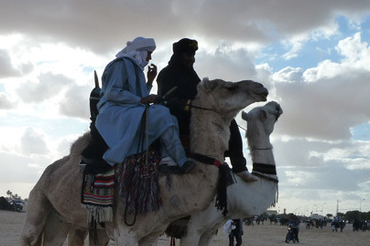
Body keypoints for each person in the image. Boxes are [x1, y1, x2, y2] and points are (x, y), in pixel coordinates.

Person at [156, 38, 257, 182]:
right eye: (188, 55)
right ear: (179, 55)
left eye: (193, 55)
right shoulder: (166, 73)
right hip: (177, 117)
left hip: (198, 114)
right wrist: (189, 104)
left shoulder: (192, 74)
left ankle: (239, 166)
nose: (191, 59)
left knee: (229, 121)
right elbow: (165, 100)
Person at [95, 37, 194, 173]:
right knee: (162, 113)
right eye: (149, 54)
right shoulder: (121, 64)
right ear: (140, 52)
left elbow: (138, 97)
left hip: (128, 109)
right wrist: (142, 100)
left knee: (171, 118)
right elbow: (112, 93)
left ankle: (166, 159)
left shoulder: (135, 68)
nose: (149, 58)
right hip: (114, 112)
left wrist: (149, 81)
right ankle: (182, 160)